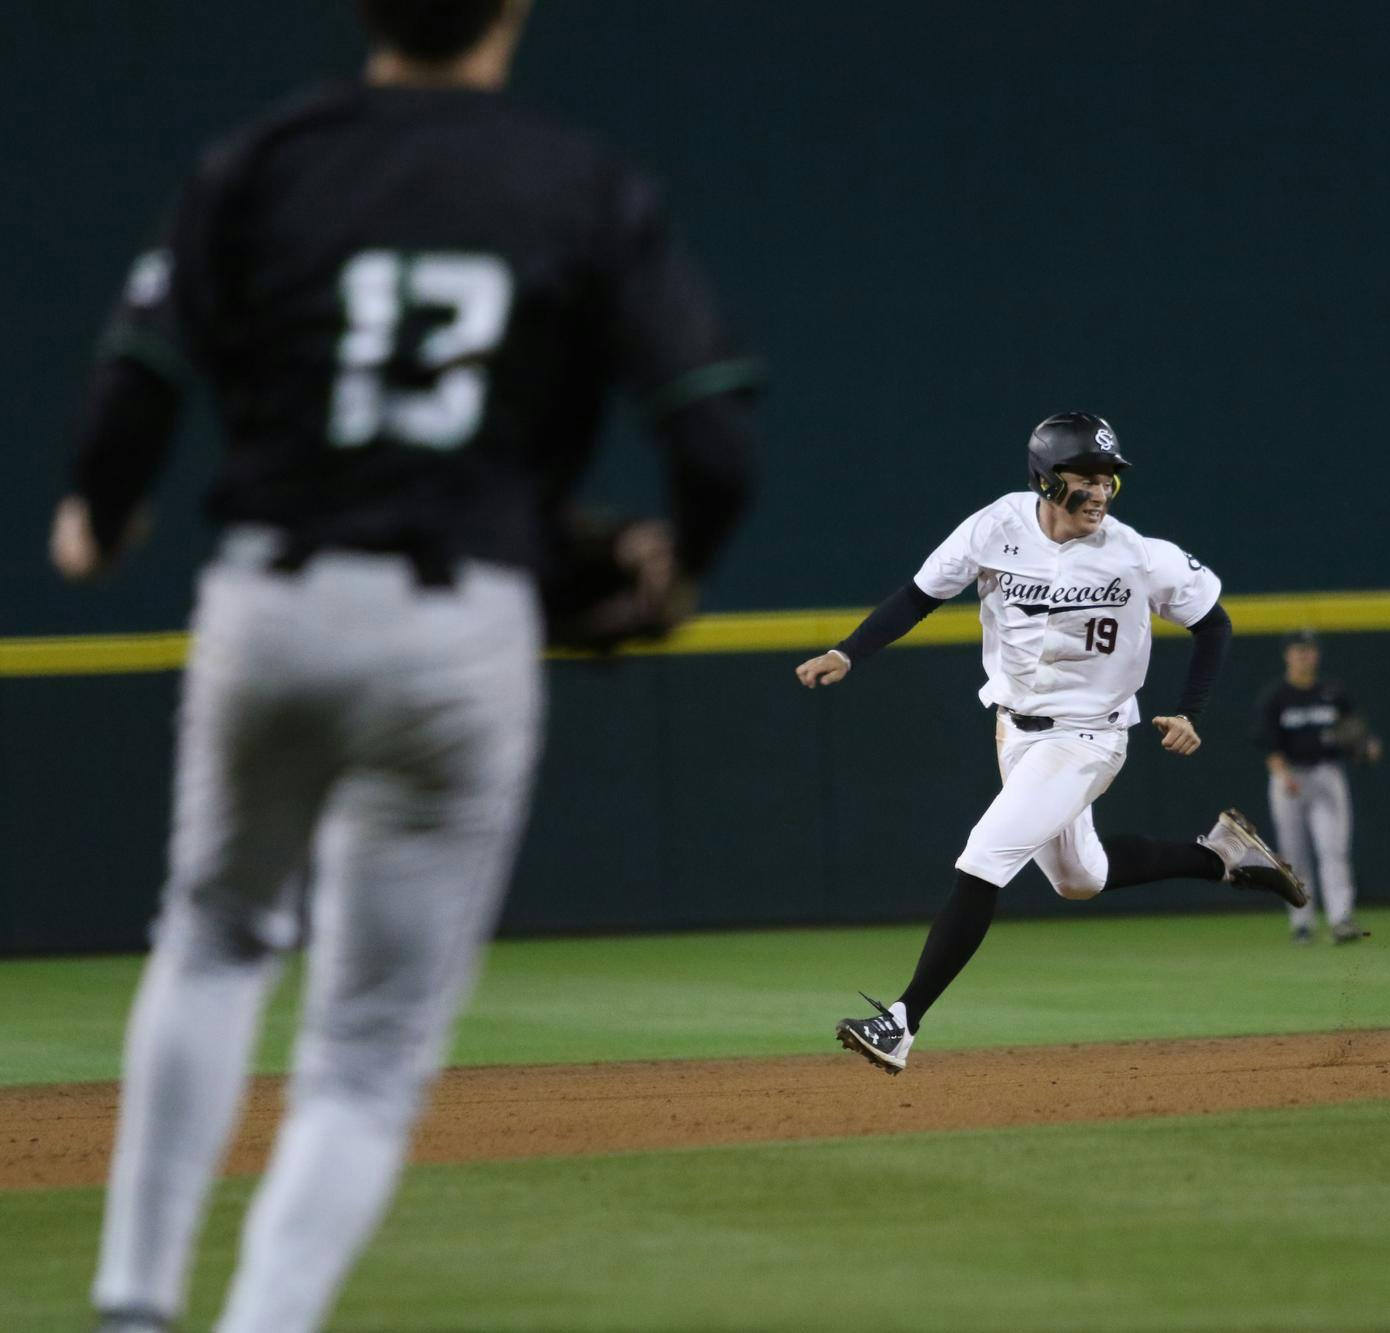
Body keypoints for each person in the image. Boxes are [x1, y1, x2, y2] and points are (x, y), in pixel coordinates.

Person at [51, 3, 760, 1329]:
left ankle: (133, 1301)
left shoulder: (261, 159)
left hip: (271, 598)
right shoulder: (581, 181)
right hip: (462, 630)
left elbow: (137, 374)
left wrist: (97, 508)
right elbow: (714, 443)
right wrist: (684, 568)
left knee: (209, 938)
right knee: (366, 1059)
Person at [794, 412, 1307, 1075]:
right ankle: (1221, 855)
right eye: (1084, 477)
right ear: (1043, 478)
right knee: (1079, 877)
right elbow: (919, 596)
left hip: (1090, 736)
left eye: (1108, 477)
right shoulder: (996, 527)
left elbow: (1215, 623)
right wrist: (849, 650)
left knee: (984, 856)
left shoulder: (1137, 554)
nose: (1099, 490)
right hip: (1015, 729)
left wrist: (1190, 710)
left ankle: (901, 1022)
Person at [1256, 629, 1383, 944]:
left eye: (1309, 650)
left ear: (1317, 655)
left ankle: (1341, 919)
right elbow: (1269, 746)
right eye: (1298, 650)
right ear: (1288, 655)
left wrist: (1367, 747)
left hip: (1327, 774)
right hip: (1290, 776)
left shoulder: (1333, 693)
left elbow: (1357, 735)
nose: (1304, 655)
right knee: (1294, 853)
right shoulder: (1276, 697)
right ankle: (1301, 923)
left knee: (1333, 849)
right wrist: (1284, 776)